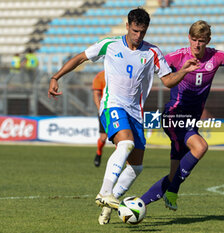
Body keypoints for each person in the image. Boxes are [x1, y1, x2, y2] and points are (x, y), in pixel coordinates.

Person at [47, 8, 199, 225]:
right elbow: (81, 57)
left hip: (136, 113)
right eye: (135, 30)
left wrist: (183, 71)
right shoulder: (109, 45)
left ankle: (112, 203)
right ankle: (104, 192)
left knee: (136, 166)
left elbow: (167, 81)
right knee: (125, 143)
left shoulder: (152, 52)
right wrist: (56, 77)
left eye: (143, 32)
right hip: (112, 106)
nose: (138, 36)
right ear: (127, 26)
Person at [140, 20, 224, 211]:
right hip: (174, 116)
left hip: (191, 121)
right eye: (194, 39)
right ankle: (170, 191)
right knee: (200, 146)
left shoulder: (217, 57)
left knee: (173, 175)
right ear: (189, 38)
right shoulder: (177, 57)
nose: (197, 44)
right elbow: (153, 69)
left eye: (201, 40)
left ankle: (137, 204)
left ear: (208, 40)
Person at [92, 70, 107, 167]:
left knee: (121, 138)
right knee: (103, 138)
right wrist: (100, 110)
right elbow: (96, 94)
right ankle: (99, 153)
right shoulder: (101, 76)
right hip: (105, 110)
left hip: (120, 109)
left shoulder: (121, 72)